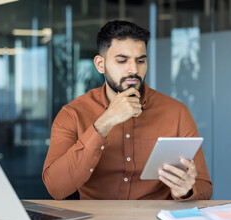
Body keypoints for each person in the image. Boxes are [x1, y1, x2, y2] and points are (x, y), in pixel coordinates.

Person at [42, 20, 212, 200]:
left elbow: (204, 188)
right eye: (122, 61)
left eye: (140, 61)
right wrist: (104, 122)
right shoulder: (72, 114)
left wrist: (185, 190)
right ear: (100, 65)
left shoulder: (177, 113)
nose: (134, 70)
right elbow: (56, 188)